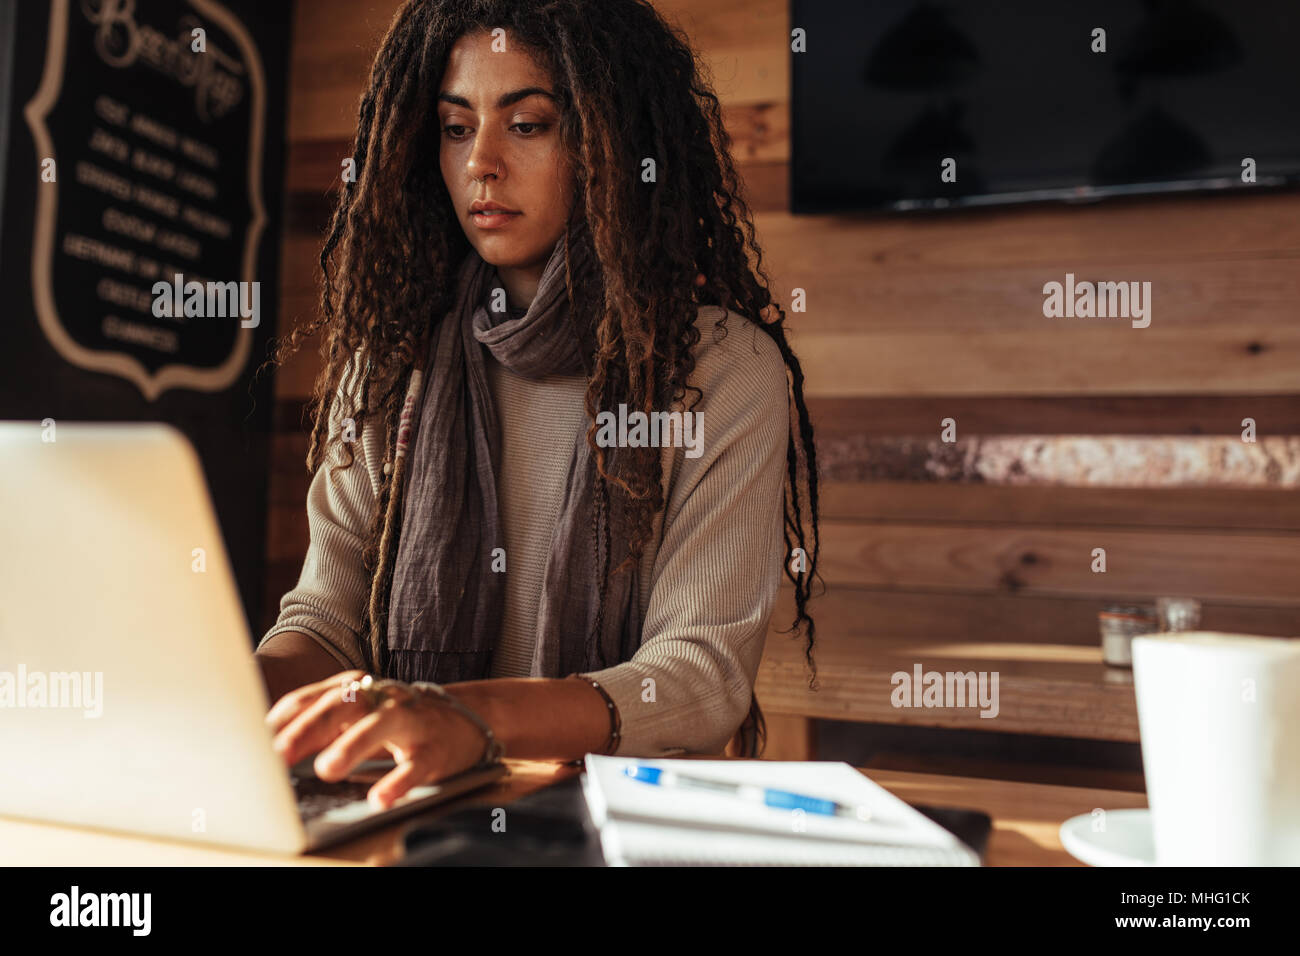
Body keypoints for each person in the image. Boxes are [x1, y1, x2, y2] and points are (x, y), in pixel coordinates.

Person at [257, 0, 821, 809]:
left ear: (611, 144)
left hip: (607, 820)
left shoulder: (721, 371)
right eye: (455, 128)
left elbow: (698, 673)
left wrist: (471, 716)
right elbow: (326, 620)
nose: (481, 162)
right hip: (398, 807)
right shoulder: (391, 363)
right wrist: (233, 691)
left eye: (526, 124)